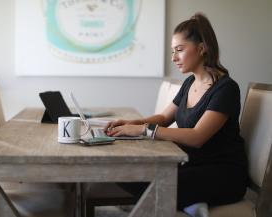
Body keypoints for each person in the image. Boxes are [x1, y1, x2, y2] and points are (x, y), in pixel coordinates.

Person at [104, 12, 248, 210]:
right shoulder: (190, 83)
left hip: (223, 173)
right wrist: (131, 124)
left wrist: (143, 130)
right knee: (124, 173)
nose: (174, 58)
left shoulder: (226, 88)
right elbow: (164, 117)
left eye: (179, 50)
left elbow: (197, 137)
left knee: (149, 182)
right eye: (173, 51)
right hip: (193, 165)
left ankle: (178, 206)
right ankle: (185, 206)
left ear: (202, 48)